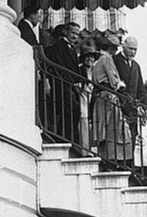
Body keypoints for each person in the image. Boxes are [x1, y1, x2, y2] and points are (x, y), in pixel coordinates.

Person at [90, 32, 131, 167]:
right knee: (113, 129)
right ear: (110, 48)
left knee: (104, 128)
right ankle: (113, 160)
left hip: (100, 96)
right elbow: (114, 82)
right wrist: (121, 84)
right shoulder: (107, 59)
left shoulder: (98, 61)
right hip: (108, 96)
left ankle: (107, 160)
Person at [46, 22, 82, 142]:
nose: (75, 36)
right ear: (65, 32)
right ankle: (64, 137)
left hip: (71, 85)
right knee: (72, 109)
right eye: (72, 33)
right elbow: (60, 66)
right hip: (62, 83)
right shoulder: (58, 46)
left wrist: (78, 81)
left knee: (71, 111)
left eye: (77, 34)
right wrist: (72, 82)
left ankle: (65, 137)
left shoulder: (72, 48)